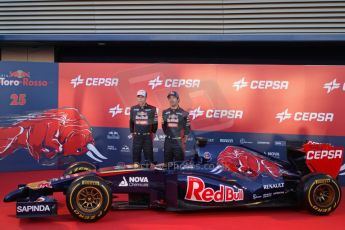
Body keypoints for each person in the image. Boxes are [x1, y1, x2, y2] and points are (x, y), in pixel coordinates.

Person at [162, 91, 191, 164]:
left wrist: (184, 139)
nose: (171, 100)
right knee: (167, 165)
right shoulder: (165, 112)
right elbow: (164, 127)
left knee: (179, 165)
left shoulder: (184, 113)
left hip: (178, 142)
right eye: (170, 98)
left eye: (174, 98)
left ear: (178, 99)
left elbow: (187, 127)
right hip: (168, 141)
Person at [129, 90, 158, 164]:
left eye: (142, 97)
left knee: (149, 159)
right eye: (139, 97)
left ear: (146, 98)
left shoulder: (152, 109)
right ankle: (135, 173)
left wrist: (153, 132)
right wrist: (132, 132)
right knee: (136, 159)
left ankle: (149, 174)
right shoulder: (133, 108)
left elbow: (155, 123)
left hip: (147, 137)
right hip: (137, 137)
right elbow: (131, 121)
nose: (140, 99)